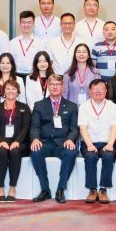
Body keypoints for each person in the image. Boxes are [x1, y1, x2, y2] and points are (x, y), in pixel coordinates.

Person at [29, 75, 80, 204]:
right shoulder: (39, 105)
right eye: (52, 84)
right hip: (45, 142)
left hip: (62, 143)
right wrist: (35, 139)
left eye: (58, 84)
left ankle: (60, 189)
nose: (55, 87)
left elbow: (74, 128)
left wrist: (70, 139)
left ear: (62, 86)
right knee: (35, 152)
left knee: (71, 152)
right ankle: (45, 189)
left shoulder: (72, 106)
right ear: (48, 86)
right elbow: (34, 126)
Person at [0, 79, 31, 203]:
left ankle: (12, 187)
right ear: (3, 91)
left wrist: (17, 141)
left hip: (20, 143)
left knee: (15, 151)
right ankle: (0, 188)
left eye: (13, 89)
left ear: (18, 92)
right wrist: (1, 141)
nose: (11, 91)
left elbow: (26, 127)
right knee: (1, 151)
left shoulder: (24, 108)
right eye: (8, 88)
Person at [78, 80, 116, 204]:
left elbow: (115, 127)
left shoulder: (112, 106)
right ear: (90, 91)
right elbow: (82, 128)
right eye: (95, 88)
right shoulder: (84, 106)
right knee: (90, 157)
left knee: (108, 156)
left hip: (107, 142)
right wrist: (89, 145)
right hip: (89, 142)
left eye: (101, 88)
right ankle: (92, 190)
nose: (98, 91)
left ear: (106, 91)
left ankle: (103, 189)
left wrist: (110, 144)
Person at [9, 11, 48, 77]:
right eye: (23, 22)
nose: (26, 25)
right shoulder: (12, 43)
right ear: (20, 23)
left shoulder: (40, 43)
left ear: (33, 24)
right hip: (16, 77)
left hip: (34, 76)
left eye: (29, 22)